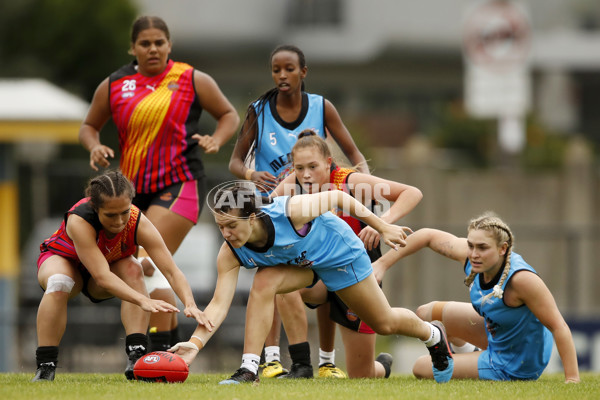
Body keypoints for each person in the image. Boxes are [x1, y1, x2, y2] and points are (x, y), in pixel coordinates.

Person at [168, 183, 455, 384]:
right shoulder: (230, 252)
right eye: (220, 226)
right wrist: (195, 344)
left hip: (339, 255)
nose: (226, 233)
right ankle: (249, 369)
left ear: (253, 216)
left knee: (385, 323)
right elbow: (219, 303)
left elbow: (338, 198)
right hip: (303, 268)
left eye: (232, 225)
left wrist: (382, 226)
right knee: (263, 281)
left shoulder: (291, 211)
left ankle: (432, 335)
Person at [78, 15, 239, 353]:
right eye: (145, 43)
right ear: (133, 48)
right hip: (131, 191)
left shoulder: (192, 78)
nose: (152, 49)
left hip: (181, 184)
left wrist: (217, 139)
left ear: (169, 45)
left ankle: (152, 351)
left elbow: (229, 115)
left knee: (146, 262)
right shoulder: (114, 84)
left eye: (159, 42)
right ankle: (162, 351)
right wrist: (95, 146)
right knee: (147, 270)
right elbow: (89, 126)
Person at [228, 44, 369, 379]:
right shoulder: (259, 111)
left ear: (303, 72)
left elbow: (356, 156)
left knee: (329, 285)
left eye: (289, 69)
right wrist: (250, 175)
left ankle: (326, 361)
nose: (282, 76)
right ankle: (274, 359)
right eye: (276, 69)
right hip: (273, 212)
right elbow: (234, 161)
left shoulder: (321, 107)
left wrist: (359, 187)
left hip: (315, 212)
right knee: (272, 281)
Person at [270, 130, 423, 378]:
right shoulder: (295, 182)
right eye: (299, 168)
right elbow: (265, 210)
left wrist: (381, 222)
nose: (306, 174)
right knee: (280, 284)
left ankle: (385, 365)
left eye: (313, 166)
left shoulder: (350, 181)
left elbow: (412, 193)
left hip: (357, 273)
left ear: (328, 163)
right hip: (319, 272)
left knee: (360, 375)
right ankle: (301, 366)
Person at [32, 170, 210, 382]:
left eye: (124, 212)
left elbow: (170, 269)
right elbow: (102, 277)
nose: (119, 221)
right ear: (95, 208)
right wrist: (143, 299)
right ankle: (46, 366)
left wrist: (189, 303)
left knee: (135, 269)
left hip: (106, 268)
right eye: (110, 215)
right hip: (65, 262)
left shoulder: (137, 220)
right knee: (59, 282)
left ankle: (136, 356)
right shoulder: (79, 220)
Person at [371, 213, 580, 383]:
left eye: (482, 247)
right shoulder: (473, 257)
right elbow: (426, 236)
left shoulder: (522, 280)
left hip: (516, 359)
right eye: (471, 245)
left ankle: (473, 358)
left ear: (503, 249)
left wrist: (572, 380)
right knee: (426, 312)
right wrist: (382, 265)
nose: (474, 253)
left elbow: (558, 326)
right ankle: (470, 352)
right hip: (497, 332)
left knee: (421, 367)